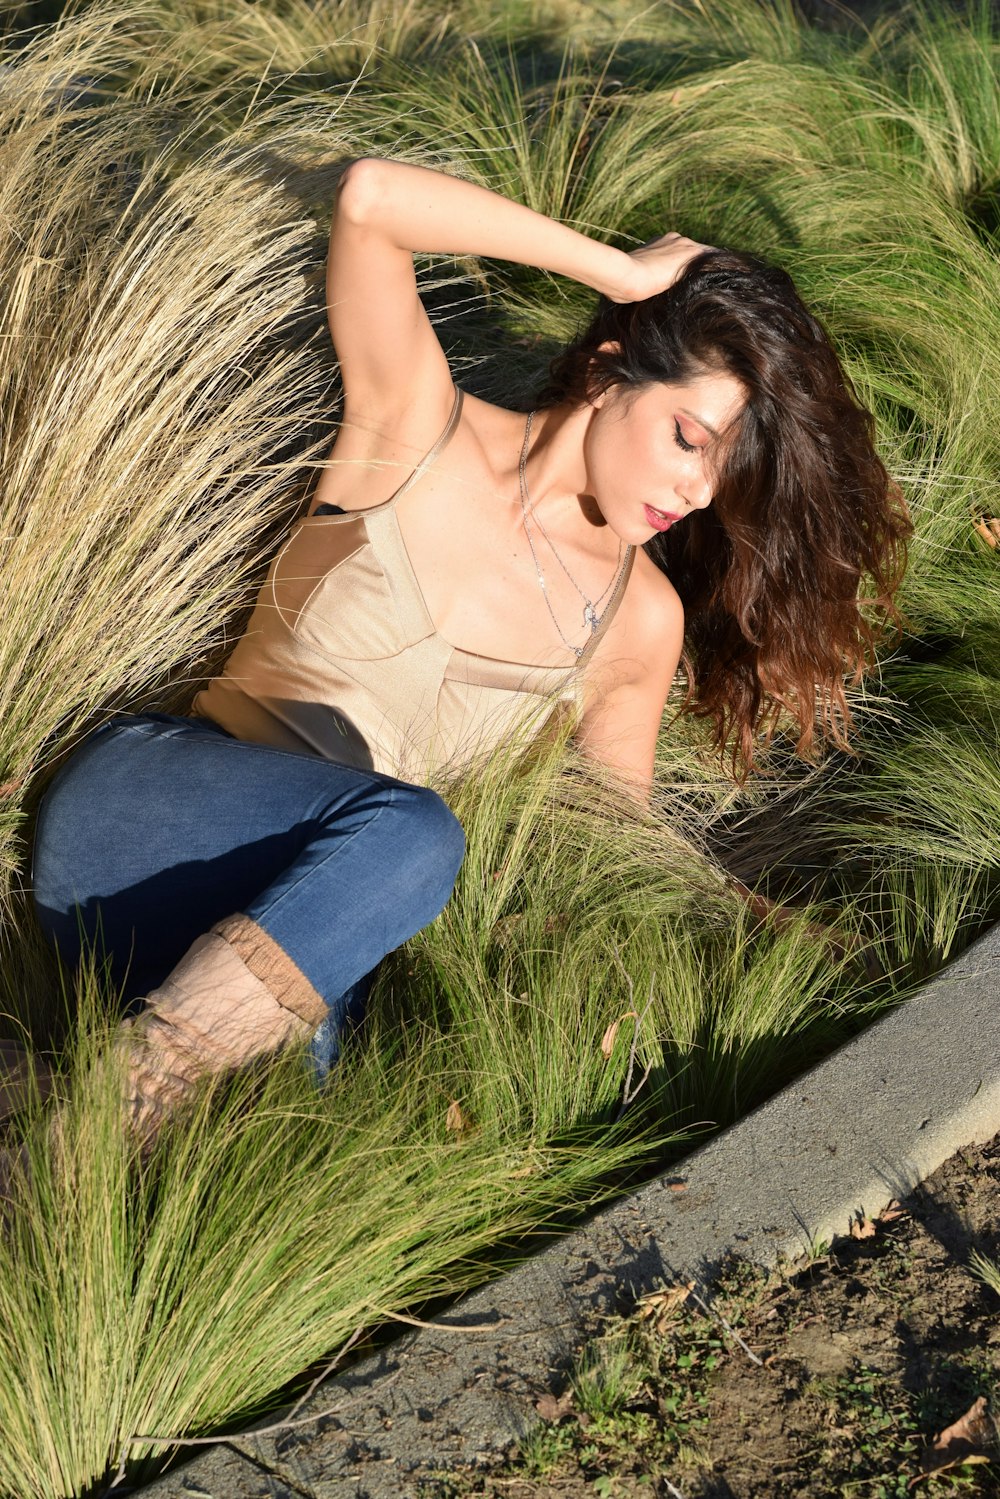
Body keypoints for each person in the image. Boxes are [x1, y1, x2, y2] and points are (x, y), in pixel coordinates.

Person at [28, 157, 909, 1141]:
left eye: (724, 473)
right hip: (141, 842)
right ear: (613, 368)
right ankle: (132, 1092)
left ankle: (95, 1116)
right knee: (414, 833)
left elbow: (610, 846)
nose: (696, 492)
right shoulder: (414, 426)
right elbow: (371, 202)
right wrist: (620, 269)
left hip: (308, 940)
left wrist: (767, 926)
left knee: (312, 1129)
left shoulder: (636, 620)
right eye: (685, 436)